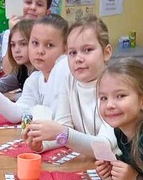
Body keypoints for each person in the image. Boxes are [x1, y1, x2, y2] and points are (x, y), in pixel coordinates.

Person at [25, 15, 118, 157]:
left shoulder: (116, 88)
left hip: (118, 163)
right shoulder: (69, 80)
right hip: (91, 161)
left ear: (106, 52)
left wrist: (63, 133)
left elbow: (103, 146)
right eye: (72, 53)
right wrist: (42, 144)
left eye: (87, 50)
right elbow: (65, 127)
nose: (78, 58)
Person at [0, 14, 70, 124]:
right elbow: (17, 114)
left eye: (49, 45)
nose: (40, 51)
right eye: (35, 43)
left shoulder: (66, 71)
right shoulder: (35, 79)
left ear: (66, 49)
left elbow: (63, 128)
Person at [0, 18, 33, 95]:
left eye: (23, 44)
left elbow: (35, 98)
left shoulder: (41, 73)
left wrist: (12, 96)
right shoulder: (22, 70)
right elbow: (0, 86)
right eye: (13, 45)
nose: (16, 50)